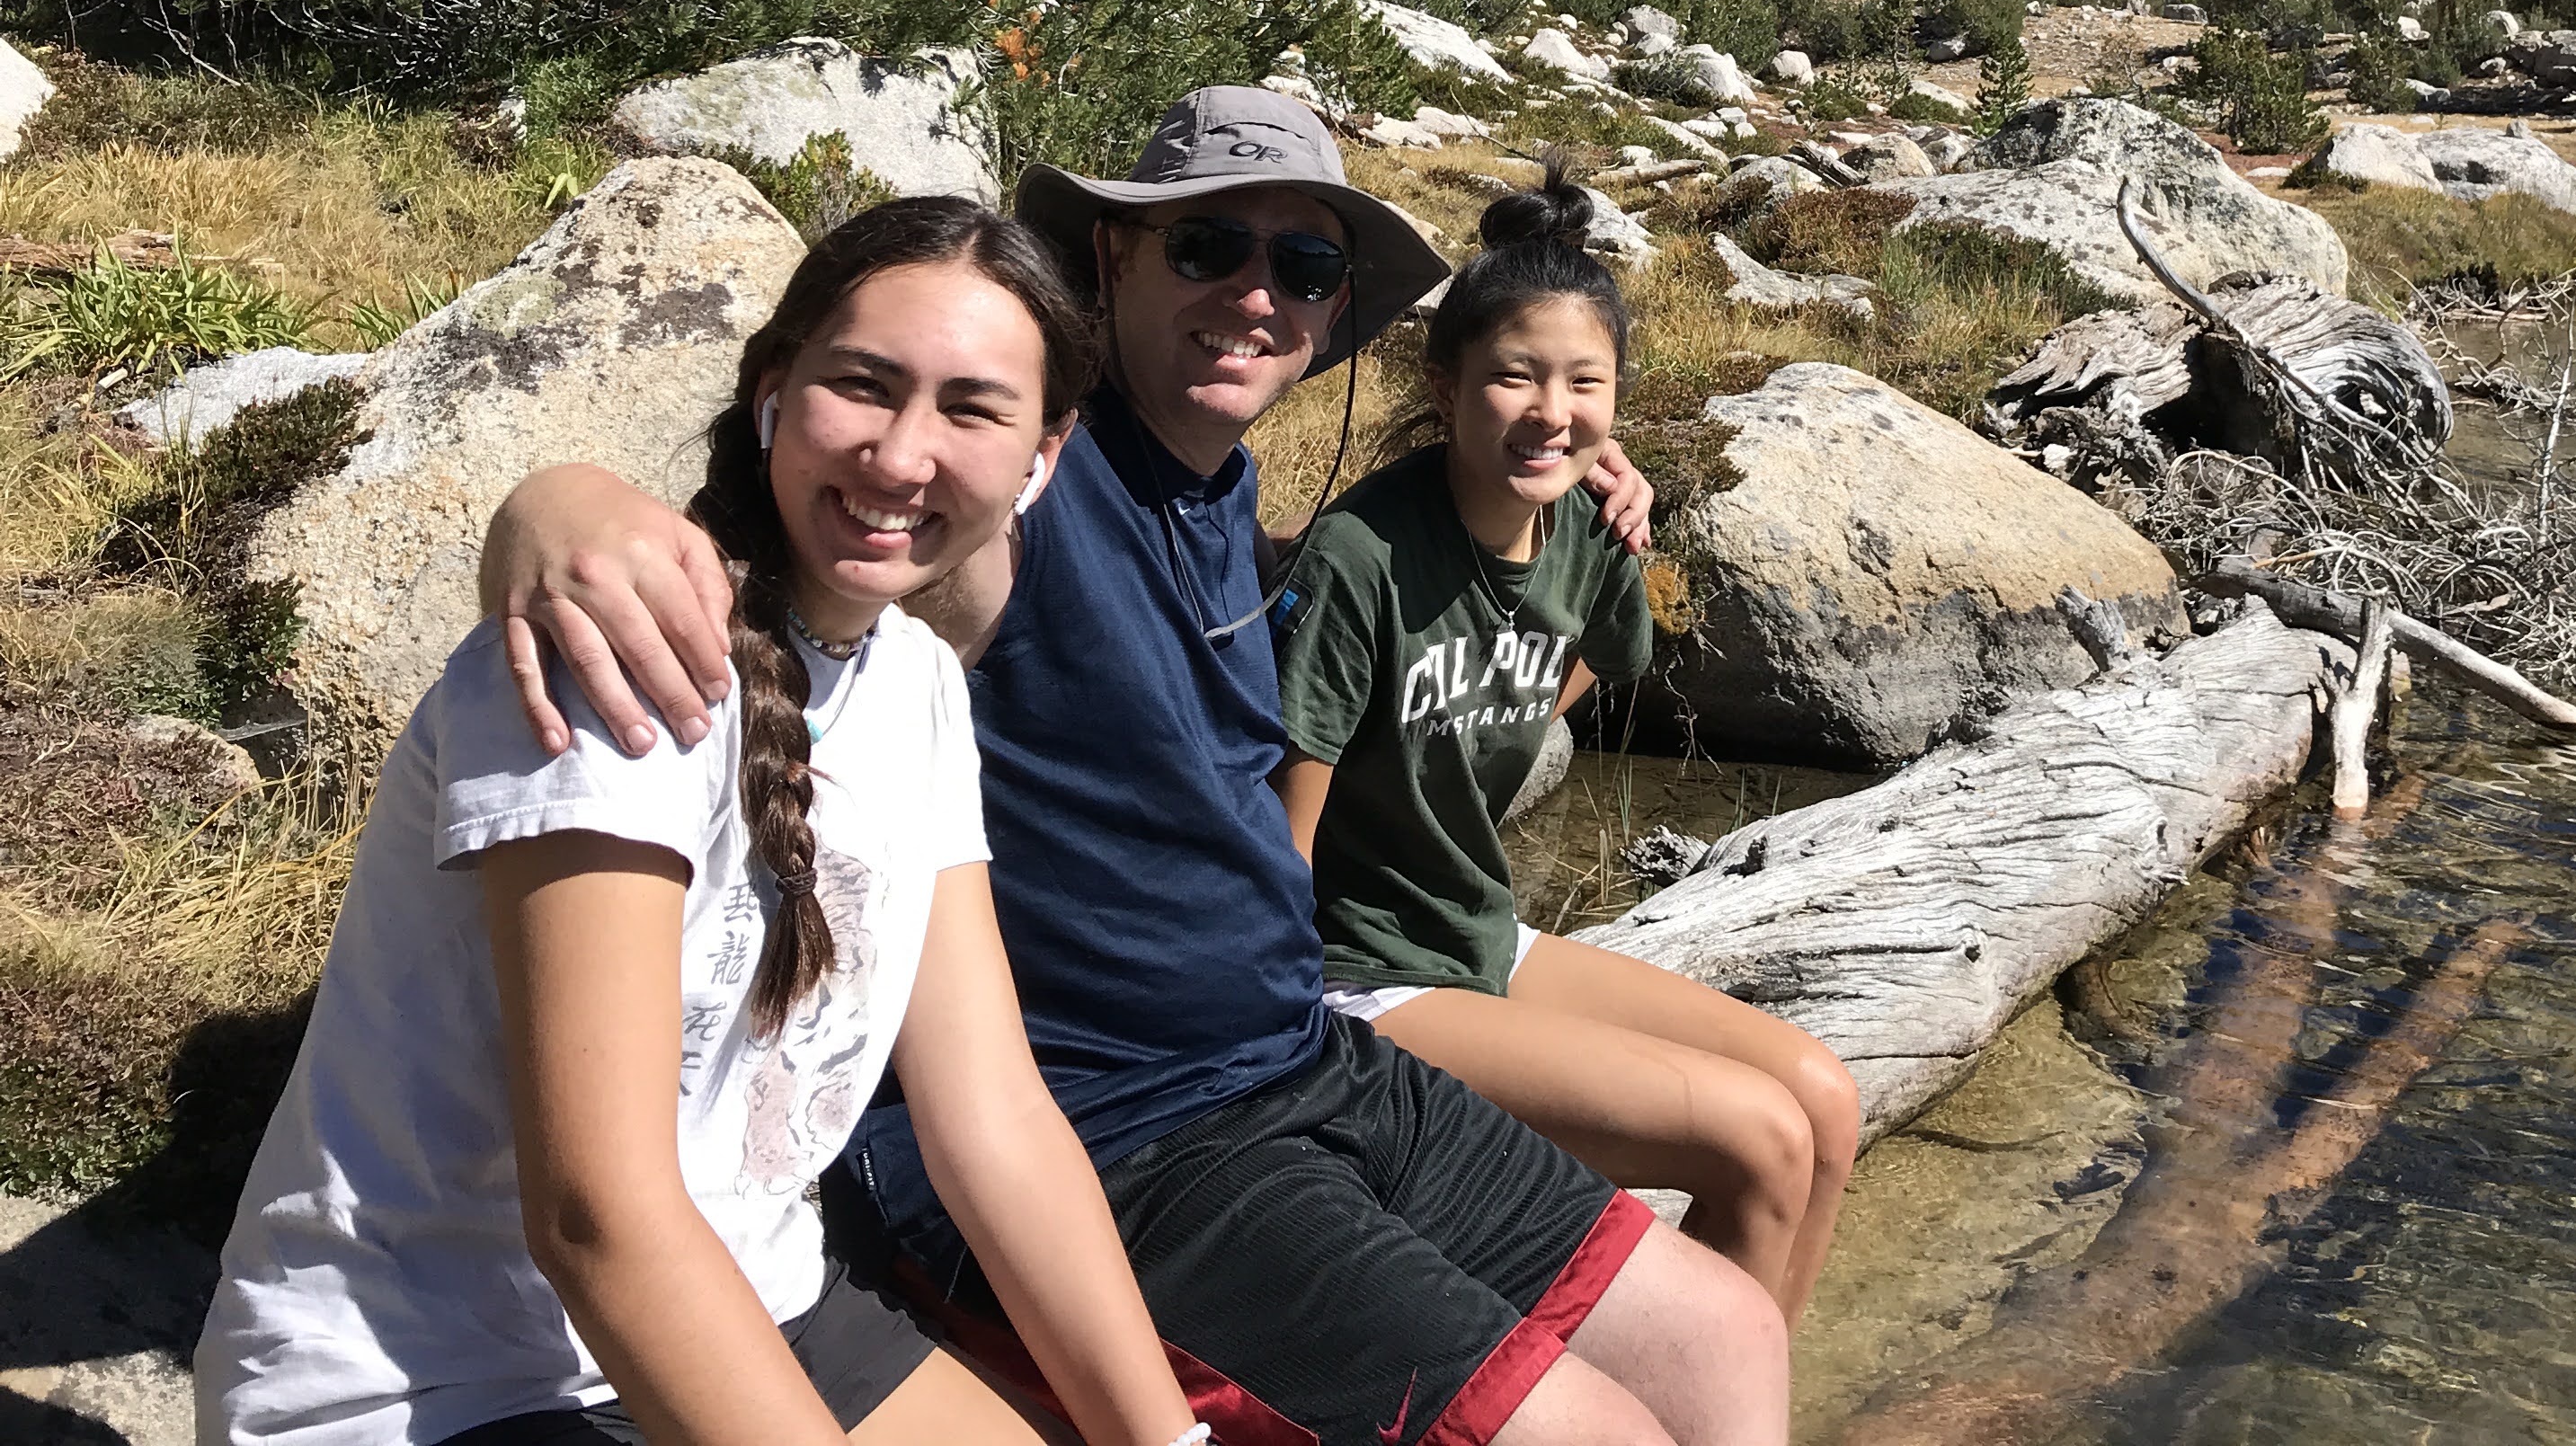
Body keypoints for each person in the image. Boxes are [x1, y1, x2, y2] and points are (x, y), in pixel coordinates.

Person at [479, 89, 1787, 1446]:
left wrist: (1568, 465)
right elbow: (869, 515)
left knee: (1726, 1334)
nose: (1256, 294)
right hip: (1125, 1128)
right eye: (1208, 246)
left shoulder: (1227, 491)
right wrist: (561, 504)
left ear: (1334, 312)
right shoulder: (1034, 470)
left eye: (1305, 264)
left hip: (1303, 1056)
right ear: (1112, 258)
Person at [200, 199, 1204, 1446]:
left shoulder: (918, 685)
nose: (902, 456)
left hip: (759, 1302)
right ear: (774, 391)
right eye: (863, 385)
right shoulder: (618, 656)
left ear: (1041, 462)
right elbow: (597, 1221)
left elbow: (993, 1118)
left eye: (971, 409)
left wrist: (1172, 1442)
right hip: (441, 1382)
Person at [1270, 168, 1860, 1327]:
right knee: (1754, 1141)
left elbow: (1572, 675)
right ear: (1445, 385)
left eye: (1584, 382)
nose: (1552, 409)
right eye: (1514, 375)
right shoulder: (1360, 558)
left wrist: (1516, 678)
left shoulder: (1589, 527)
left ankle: (1745, 1396)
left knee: (1822, 1100)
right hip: (1356, 973)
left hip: (1477, 931)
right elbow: (1281, 841)